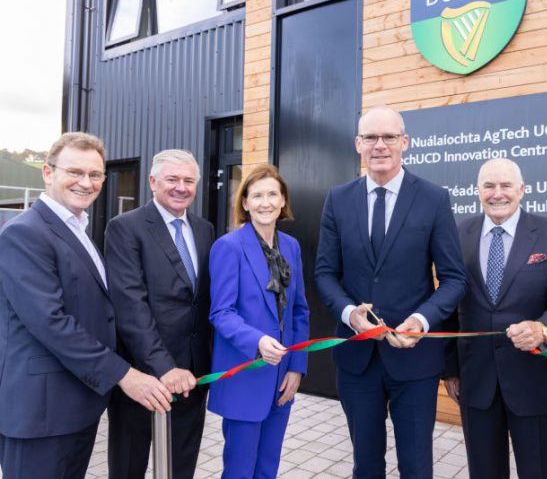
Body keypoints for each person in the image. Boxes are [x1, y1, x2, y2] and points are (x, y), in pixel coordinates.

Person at [0, 133, 172, 479]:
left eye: (95, 175)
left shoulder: (79, 229)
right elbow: (52, 323)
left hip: (76, 404)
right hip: (40, 413)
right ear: (47, 173)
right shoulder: (25, 233)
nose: (86, 182)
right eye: (74, 172)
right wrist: (125, 375)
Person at [315, 105, 466, 478]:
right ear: (357, 144)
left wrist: (420, 320)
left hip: (414, 360)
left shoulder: (433, 198)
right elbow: (324, 273)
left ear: (405, 142)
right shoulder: (338, 199)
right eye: (370, 137)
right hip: (357, 359)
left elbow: (454, 278)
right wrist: (350, 314)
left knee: (416, 465)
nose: (379, 145)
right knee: (365, 464)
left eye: (388, 137)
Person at [444, 158, 547, 479]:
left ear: (522, 190)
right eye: (489, 185)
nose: (497, 193)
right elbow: (450, 305)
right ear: (478, 191)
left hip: (537, 381)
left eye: (506, 185)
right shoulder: (457, 234)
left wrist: (544, 328)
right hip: (476, 383)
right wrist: (450, 369)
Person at [104, 149, 214, 478]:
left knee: (181, 463)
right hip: (142, 374)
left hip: (193, 375)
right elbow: (130, 305)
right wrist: (165, 367)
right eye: (172, 179)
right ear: (152, 182)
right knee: (129, 464)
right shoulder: (125, 227)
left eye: (188, 180)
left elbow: (204, 300)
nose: (181, 187)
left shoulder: (205, 228)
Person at [208, 164, 309, 478]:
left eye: (272, 195)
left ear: (282, 201)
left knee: (268, 468)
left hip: (281, 378)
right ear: (245, 203)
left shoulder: (291, 247)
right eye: (257, 195)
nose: (265, 202)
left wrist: (296, 367)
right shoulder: (228, 247)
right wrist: (257, 341)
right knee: (240, 469)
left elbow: (299, 311)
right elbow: (221, 313)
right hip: (245, 376)